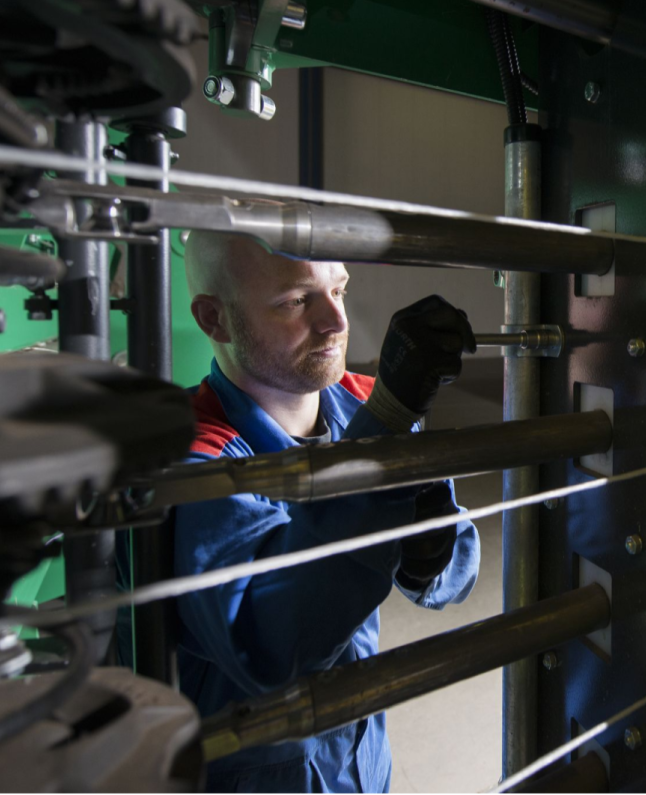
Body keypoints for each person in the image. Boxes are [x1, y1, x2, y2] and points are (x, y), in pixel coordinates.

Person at [176, 232, 481, 793]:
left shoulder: (362, 403)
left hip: (359, 763)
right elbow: (272, 641)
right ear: (214, 319)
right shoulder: (198, 459)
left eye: (338, 289)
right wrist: (386, 426)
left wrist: (428, 558)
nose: (337, 322)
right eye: (296, 301)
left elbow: (455, 573)